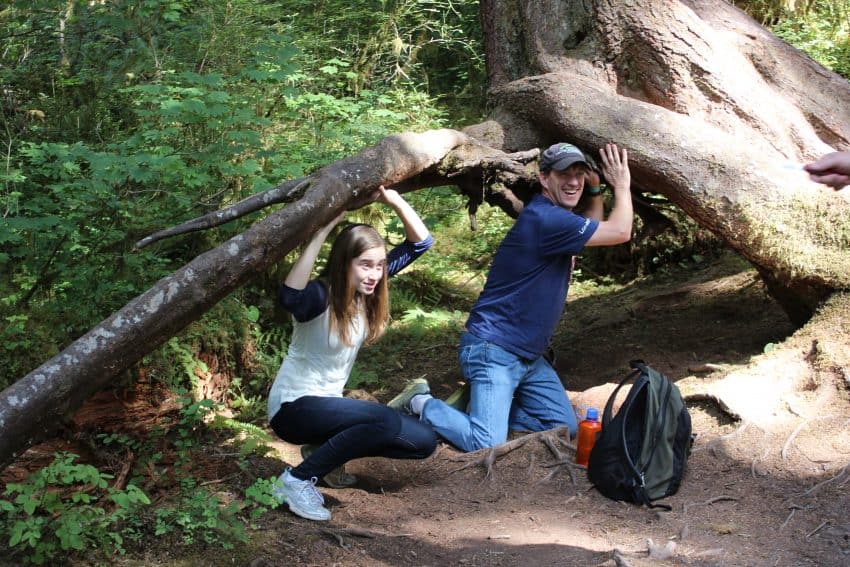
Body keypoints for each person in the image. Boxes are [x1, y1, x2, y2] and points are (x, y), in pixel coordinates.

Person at [389, 142, 633, 452]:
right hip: (495, 350)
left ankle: (477, 411)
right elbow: (621, 231)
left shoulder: (556, 220)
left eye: (579, 174)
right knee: (487, 442)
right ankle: (421, 403)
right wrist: (621, 184)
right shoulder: (547, 220)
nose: (574, 182)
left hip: (527, 356)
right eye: (564, 175)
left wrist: (596, 191)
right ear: (544, 178)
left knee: (565, 427)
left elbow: (593, 229)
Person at [268, 186, 437, 521]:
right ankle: (296, 480)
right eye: (365, 265)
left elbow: (422, 243)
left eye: (380, 266)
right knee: (385, 419)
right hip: (293, 407)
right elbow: (289, 297)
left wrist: (392, 199)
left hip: (329, 410)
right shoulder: (320, 296)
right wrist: (322, 232)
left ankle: (323, 456)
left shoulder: (367, 290)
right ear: (345, 263)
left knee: (423, 442)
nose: (374, 274)